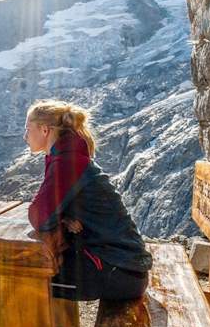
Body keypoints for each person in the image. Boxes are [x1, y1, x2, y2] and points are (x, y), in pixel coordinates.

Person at [25, 99, 151, 301]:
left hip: (119, 271)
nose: (25, 136)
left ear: (44, 130)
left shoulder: (67, 161)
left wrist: (56, 217)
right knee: (34, 268)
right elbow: (51, 208)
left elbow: (39, 215)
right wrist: (64, 218)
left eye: (28, 129)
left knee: (22, 276)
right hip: (122, 264)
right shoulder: (66, 155)